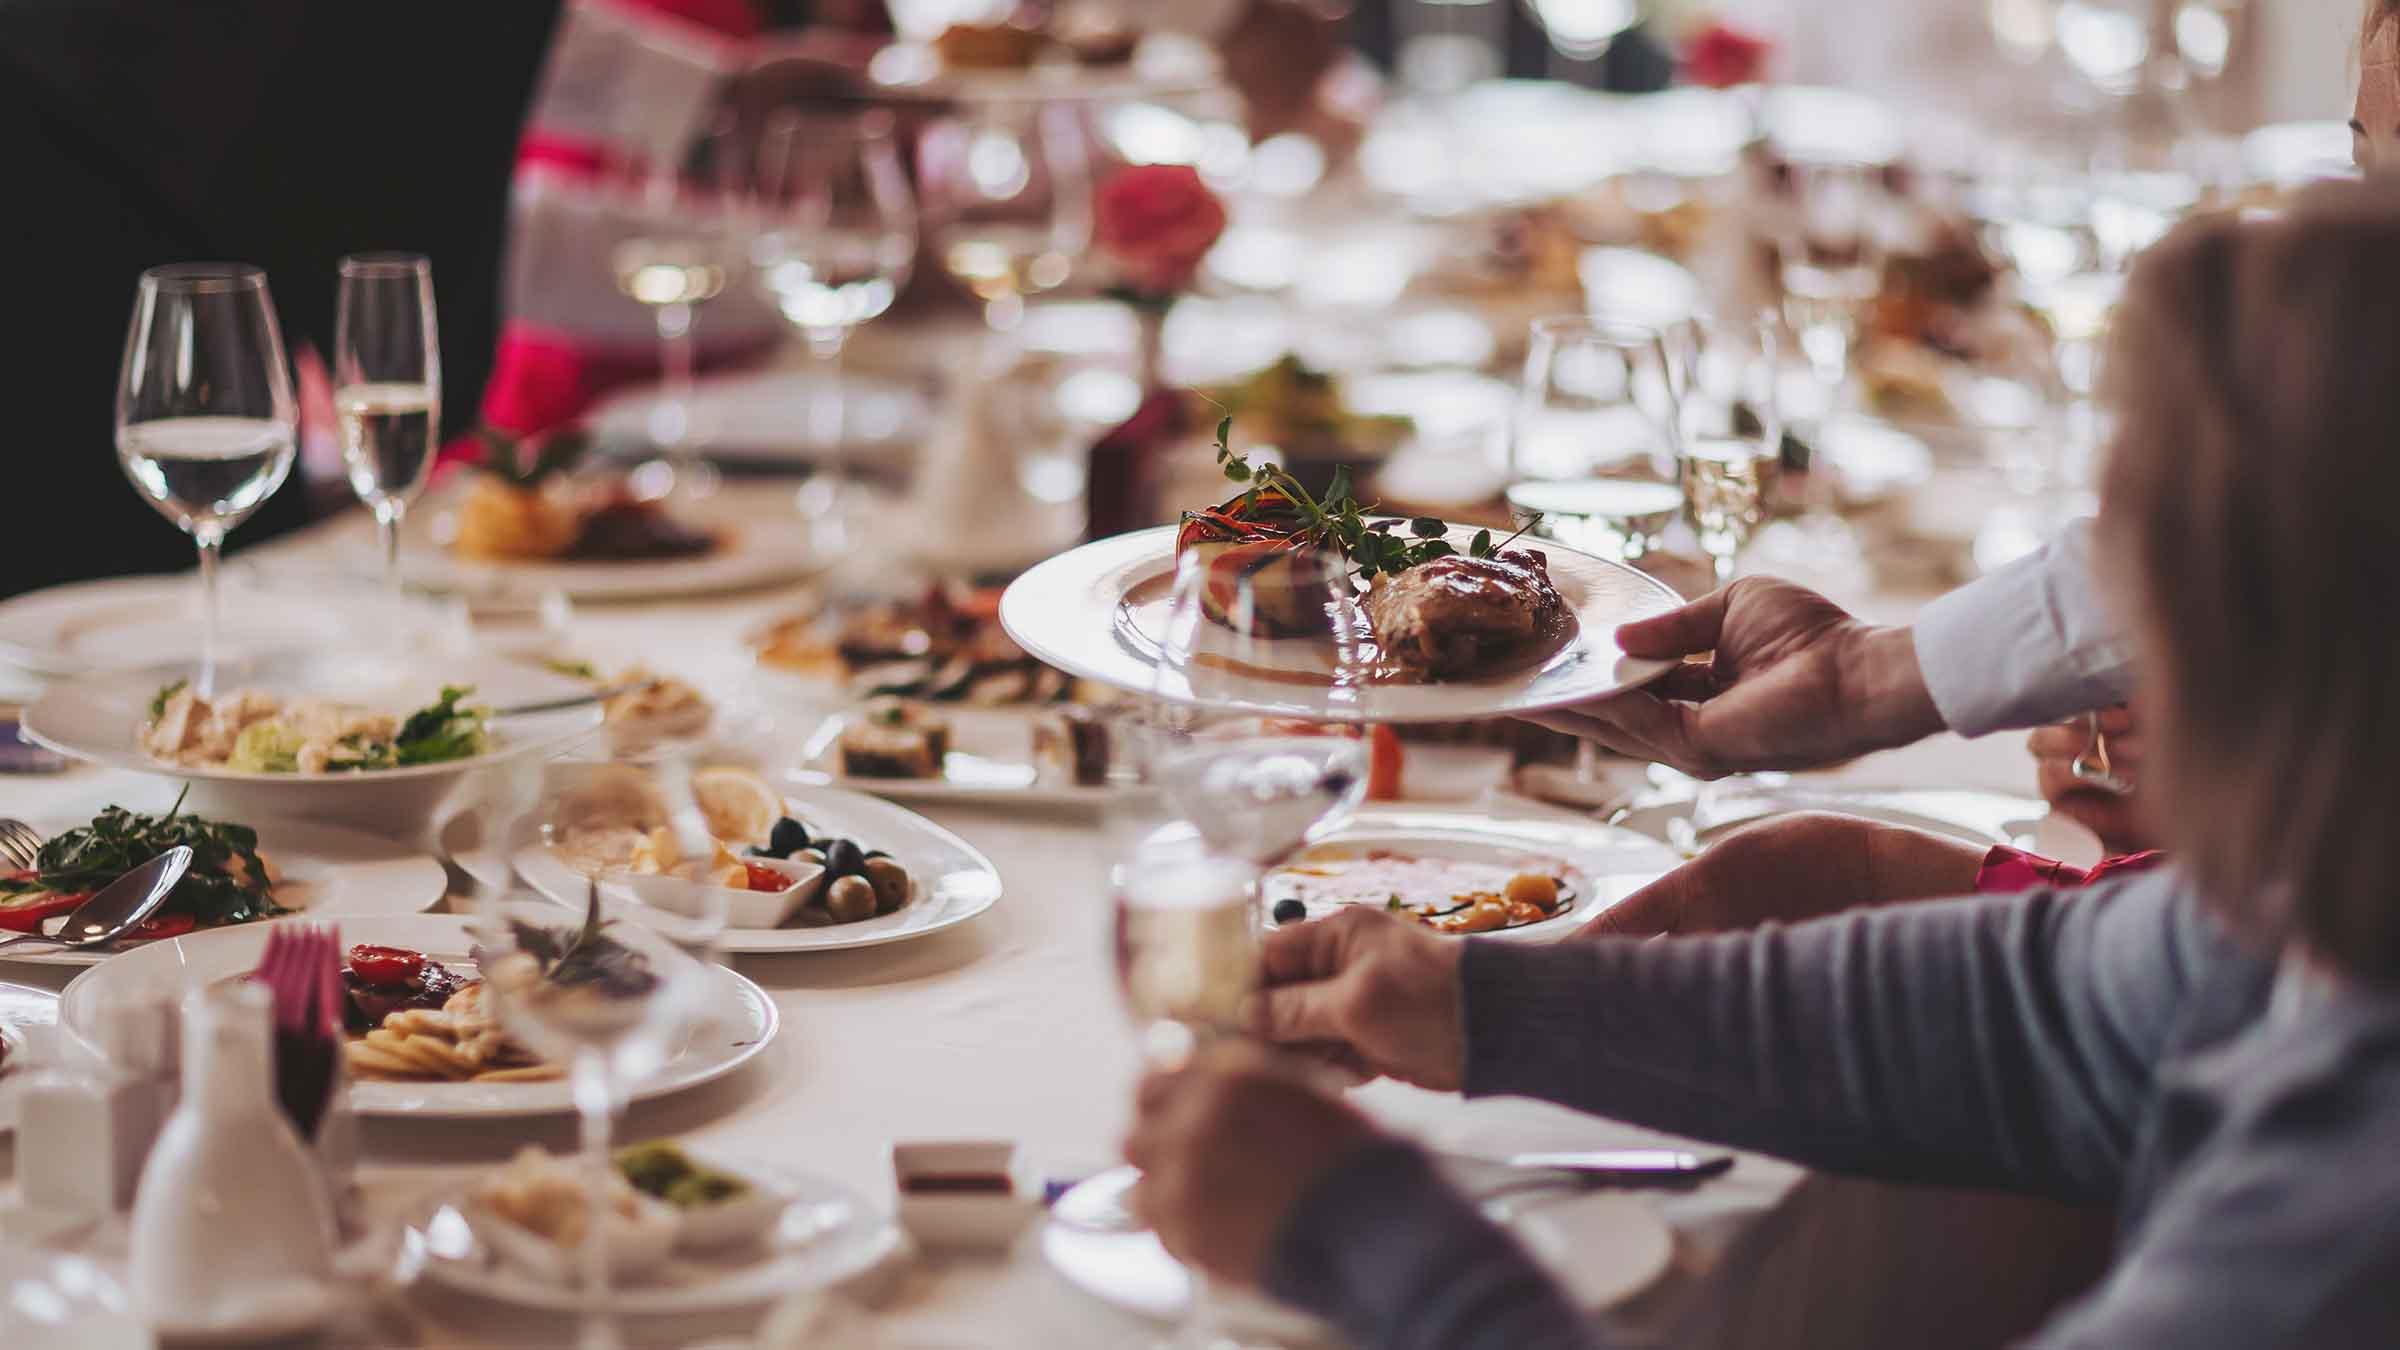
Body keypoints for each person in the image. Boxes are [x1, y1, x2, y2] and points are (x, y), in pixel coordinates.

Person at [1125, 172, 2400, 1348]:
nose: (2103, 696)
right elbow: (2051, 1021)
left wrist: (1366, 1234)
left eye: (2150, 619)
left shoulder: (2342, 1221)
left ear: (2294, 691)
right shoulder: (2324, 939)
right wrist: (1481, 1010)